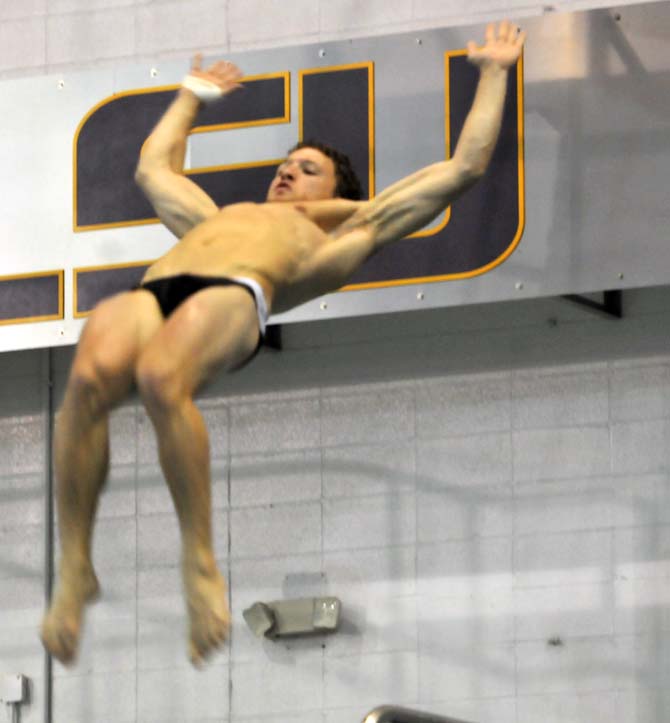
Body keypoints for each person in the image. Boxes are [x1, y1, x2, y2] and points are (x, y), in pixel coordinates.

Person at [40, 21, 525, 667]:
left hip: (237, 295)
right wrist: (190, 93)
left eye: (307, 169)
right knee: (89, 375)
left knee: (162, 377)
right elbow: (154, 169)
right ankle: (76, 565)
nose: (287, 175)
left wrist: (494, 72)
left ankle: (200, 562)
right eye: (284, 165)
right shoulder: (220, 218)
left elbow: (463, 168)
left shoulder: (349, 229)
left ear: (338, 192)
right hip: (158, 287)